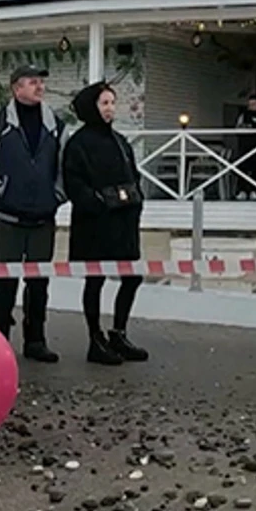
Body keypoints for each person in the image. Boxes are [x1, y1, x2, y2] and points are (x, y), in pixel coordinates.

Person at [0, 65, 67, 362]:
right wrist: (0, 191)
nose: (39, 87)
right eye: (32, 82)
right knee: (4, 283)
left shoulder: (57, 126)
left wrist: (58, 196)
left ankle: (35, 339)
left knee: (39, 283)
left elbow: (66, 169)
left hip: (43, 220)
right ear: (16, 88)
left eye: (41, 82)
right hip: (8, 221)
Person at [62, 81, 150, 366]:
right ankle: (95, 338)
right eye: (104, 103)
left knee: (132, 276)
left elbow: (133, 175)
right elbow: (74, 183)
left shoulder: (120, 141)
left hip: (124, 223)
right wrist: (98, 203)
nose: (110, 109)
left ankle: (118, 332)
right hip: (95, 225)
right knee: (95, 279)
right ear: (91, 107)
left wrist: (136, 200)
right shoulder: (78, 143)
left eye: (113, 103)